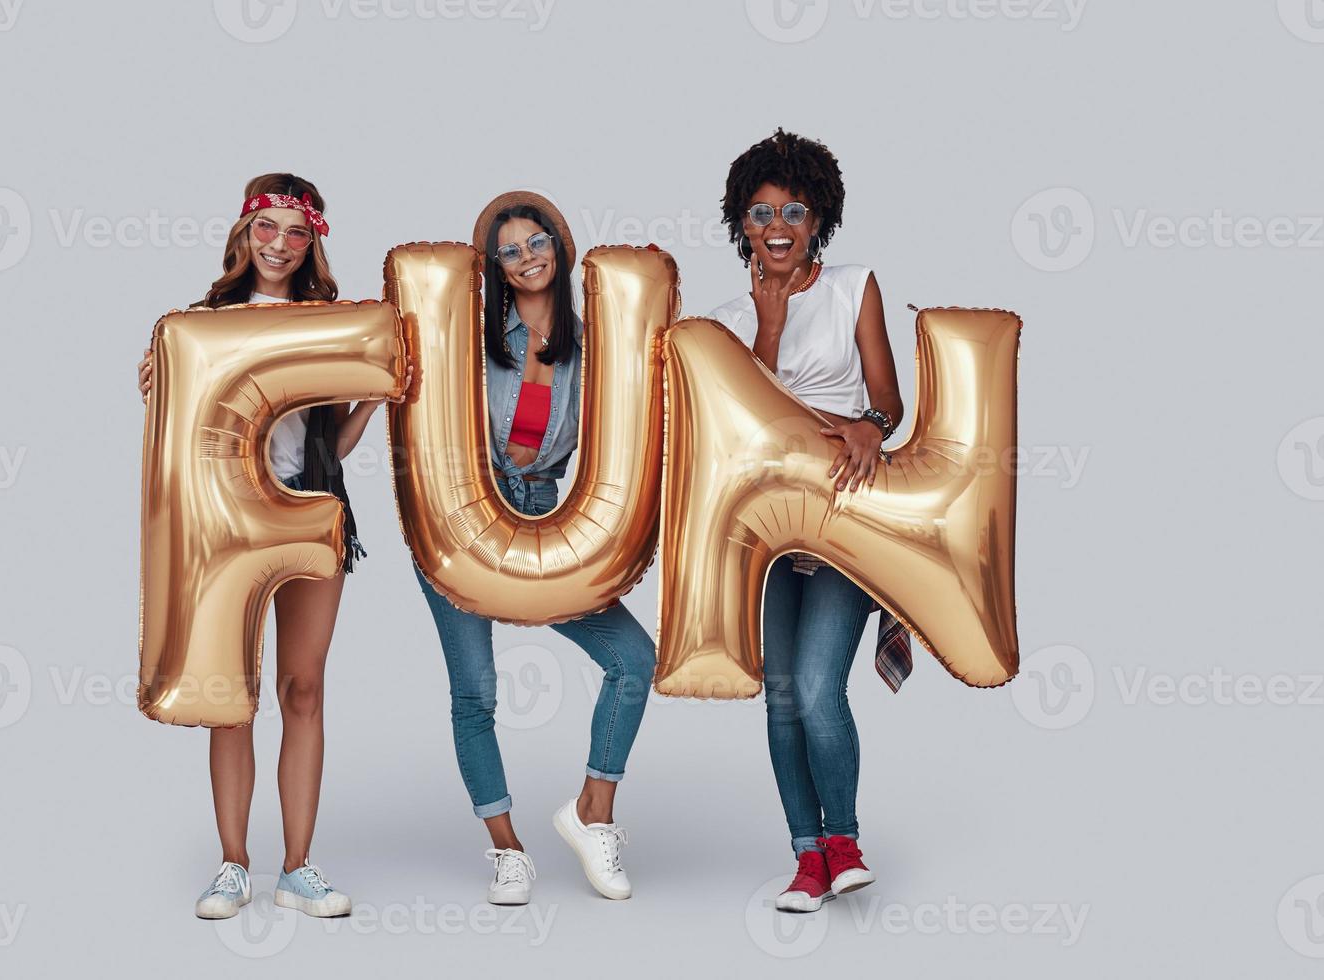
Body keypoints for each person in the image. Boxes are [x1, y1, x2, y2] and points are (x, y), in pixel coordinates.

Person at [136, 173, 396, 919]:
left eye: (296, 231)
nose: (279, 244)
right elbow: (173, 435)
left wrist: (373, 399)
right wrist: (154, 387)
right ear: (244, 233)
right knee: (230, 696)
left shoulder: (327, 324)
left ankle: (299, 867)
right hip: (225, 529)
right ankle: (231, 864)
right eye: (267, 228)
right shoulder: (201, 322)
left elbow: (335, 444)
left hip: (312, 512)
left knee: (303, 689)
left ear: (313, 241)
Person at [412, 190, 657, 905]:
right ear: (493, 267)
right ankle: (506, 850)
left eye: (536, 242)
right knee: (474, 692)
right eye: (509, 251)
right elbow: (392, 363)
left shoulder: (599, 344)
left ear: (561, 243)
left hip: (547, 519)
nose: (526, 259)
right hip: (458, 518)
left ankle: (592, 813)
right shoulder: (469, 335)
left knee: (632, 660)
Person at [708, 132, 911, 913]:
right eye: (759, 213)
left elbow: (887, 399)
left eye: (792, 208)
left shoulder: (854, 285)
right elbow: (739, 420)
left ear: (817, 214)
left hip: (842, 519)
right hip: (765, 530)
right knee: (780, 696)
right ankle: (804, 856)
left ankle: (845, 842)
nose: (777, 224)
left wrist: (867, 423)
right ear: (742, 225)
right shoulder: (725, 319)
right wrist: (764, 325)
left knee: (820, 688)